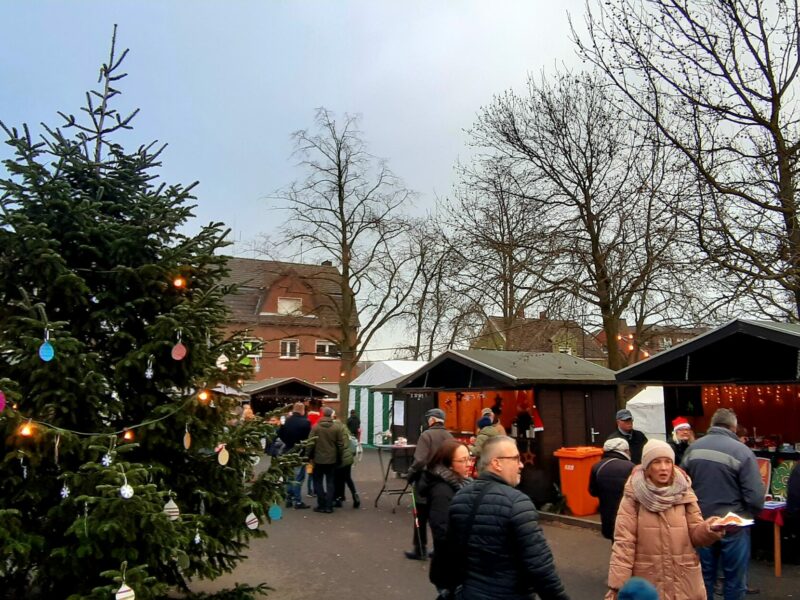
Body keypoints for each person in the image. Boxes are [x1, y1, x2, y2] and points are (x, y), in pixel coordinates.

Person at [443, 435, 569, 600]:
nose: (521, 465)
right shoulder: (518, 504)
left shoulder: (459, 498)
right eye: (516, 458)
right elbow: (540, 568)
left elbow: (449, 556)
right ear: (496, 463)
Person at [605, 439, 724, 600]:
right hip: (649, 580)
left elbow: (695, 535)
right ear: (647, 467)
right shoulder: (634, 495)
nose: (663, 467)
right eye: (657, 462)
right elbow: (624, 543)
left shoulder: (684, 491)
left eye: (668, 462)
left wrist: (711, 528)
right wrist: (617, 585)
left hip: (684, 581)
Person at [682, 408, 764, 600]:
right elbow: (755, 496)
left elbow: (681, 486)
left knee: (703, 578)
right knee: (734, 580)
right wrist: (749, 515)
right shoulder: (742, 452)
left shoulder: (693, 449)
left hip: (701, 524)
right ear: (733, 428)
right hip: (733, 526)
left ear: (712, 425)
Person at [417, 439, 472, 599]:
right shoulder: (442, 491)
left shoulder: (461, 484)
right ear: (449, 465)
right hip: (449, 568)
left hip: (456, 567)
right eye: (463, 460)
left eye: (469, 458)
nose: (468, 464)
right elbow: (441, 531)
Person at [404, 407, 453, 560]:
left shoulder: (426, 435)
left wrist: (410, 473)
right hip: (444, 481)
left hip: (426, 480)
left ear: (431, 420)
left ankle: (420, 548)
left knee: (420, 515)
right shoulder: (449, 436)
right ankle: (439, 549)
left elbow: (420, 460)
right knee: (439, 517)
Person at [589, 438, 635, 540]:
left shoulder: (597, 466)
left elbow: (593, 492)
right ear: (626, 451)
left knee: (615, 543)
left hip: (607, 515)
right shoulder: (631, 467)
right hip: (628, 516)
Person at [308, 406, 348, 513]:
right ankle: (329, 506)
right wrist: (340, 457)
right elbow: (340, 444)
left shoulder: (316, 427)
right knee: (330, 482)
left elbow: (310, 443)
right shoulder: (336, 428)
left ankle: (321, 504)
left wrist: (308, 456)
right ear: (331, 415)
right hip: (332, 459)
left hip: (318, 459)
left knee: (318, 482)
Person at [276, 402, 312, 509]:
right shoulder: (305, 423)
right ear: (302, 410)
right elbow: (308, 440)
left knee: (289, 476)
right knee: (298, 478)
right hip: (300, 453)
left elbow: (280, 434)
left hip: (287, 450)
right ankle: (298, 501)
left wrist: (287, 442)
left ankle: (288, 499)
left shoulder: (287, 421)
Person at [333, 430, 360, 509]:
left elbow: (338, 447)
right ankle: (355, 495)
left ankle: (338, 499)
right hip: (348, 457)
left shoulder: (335, 431)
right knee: (347, 478)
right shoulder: (346, 430)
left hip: (340, 458)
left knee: (337, 479)